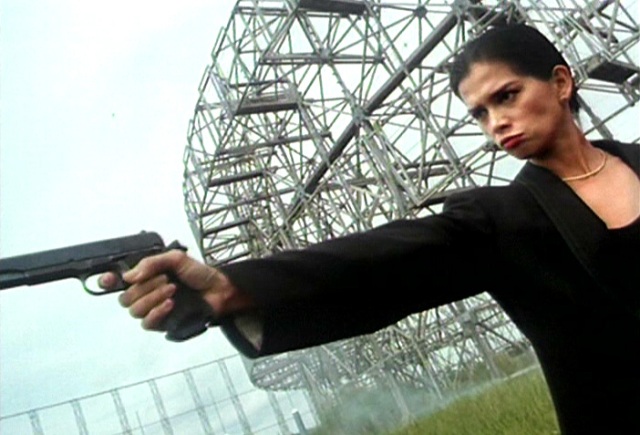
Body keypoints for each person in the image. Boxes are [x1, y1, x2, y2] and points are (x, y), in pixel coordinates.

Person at [100, 24, 639, 434]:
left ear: (561, 82)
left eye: (507, 95)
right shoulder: (498, 221)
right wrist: (230, 288)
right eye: (479, 113)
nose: (495, 122)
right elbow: (378, 264)